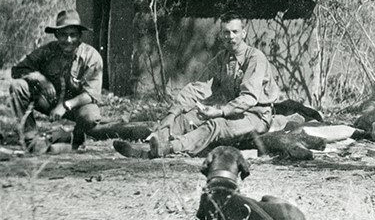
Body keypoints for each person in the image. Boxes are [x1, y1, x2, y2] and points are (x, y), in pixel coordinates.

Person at [113, 12, 279, 159]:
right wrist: (173, 113)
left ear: (244, 33)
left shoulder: (255, 58)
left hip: (255, 116)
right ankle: (149, 146)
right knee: (187, 118)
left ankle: (170, 148)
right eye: (226, 32)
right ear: (221, 34)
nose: (231, 37)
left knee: (216, 125)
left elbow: (248, 98)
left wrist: (220, 112)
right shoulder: (222, 58)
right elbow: (201, 88)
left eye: (235, 32)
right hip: (231, 113)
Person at [9, 9, 103, 154]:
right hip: (50, 102)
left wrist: (66, 105)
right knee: (18, 87)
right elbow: (18, 70)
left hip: (76, 107)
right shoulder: (47, 51)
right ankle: (31, 141)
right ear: (56, 35)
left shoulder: (91, 57)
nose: (68, 40)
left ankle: (76, 139)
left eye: (73, 35)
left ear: (80, 36)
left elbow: (91, 95)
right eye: (63, 35)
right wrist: (40, 79)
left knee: (90, 117)